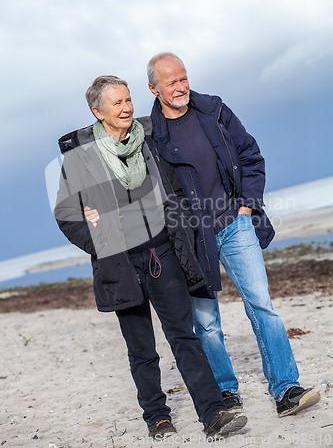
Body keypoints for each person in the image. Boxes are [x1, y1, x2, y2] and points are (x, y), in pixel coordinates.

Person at [54, 75, 248, 440]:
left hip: (163, 254)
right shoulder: (80, 160)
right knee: (141, 348)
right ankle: (157, 416)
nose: (127, 108)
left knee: (184, 337)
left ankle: (213, 413)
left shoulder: (150, 142)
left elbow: (174, 191)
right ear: (98, 112)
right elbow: (66, 215)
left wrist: (181, 228)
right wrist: (100, 238)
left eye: (128, 100)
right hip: (119, 263)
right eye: (117, 103)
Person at [147, 52, 321, 418]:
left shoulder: (214, 110)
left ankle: (286, 388)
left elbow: (251, 155)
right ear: (154, 88)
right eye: (171, 82)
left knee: (262, 305)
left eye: (183, 78)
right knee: (206, 322)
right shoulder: (152, 135)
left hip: (235, 223)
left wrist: (247, 205)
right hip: (193, 239)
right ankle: (225, 392)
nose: (181, 87)